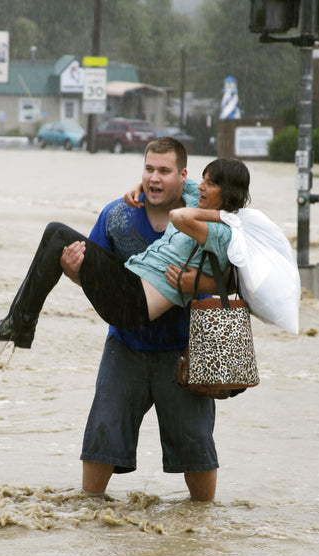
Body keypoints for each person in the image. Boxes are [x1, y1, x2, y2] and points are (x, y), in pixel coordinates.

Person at [65, 137, 223, 501]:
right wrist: (75, 271)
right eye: (149, 169)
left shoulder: (203, 215)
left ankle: (203, 525)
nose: (154, 178)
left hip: (184, 349)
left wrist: (194, 282)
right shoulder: (116, 216)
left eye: (164, 171)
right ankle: (90, 517)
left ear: (183, 176)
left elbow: (237, 271)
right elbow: (96, 278)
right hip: (125, 345)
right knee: (101, 435)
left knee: (195, 446)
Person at [0, 156, 250, 350]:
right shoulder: (197, 201)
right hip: (129, 282)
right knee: (54, 233)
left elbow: (178, 217)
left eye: (210, 183)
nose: (201, 186)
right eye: (202, 179)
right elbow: (175, 184)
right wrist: (141, 185)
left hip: (136, 304)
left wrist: (222, 213)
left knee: (59, 233)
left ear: (227, 192)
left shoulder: (221, 230)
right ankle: (19, 324)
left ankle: (20, 325)